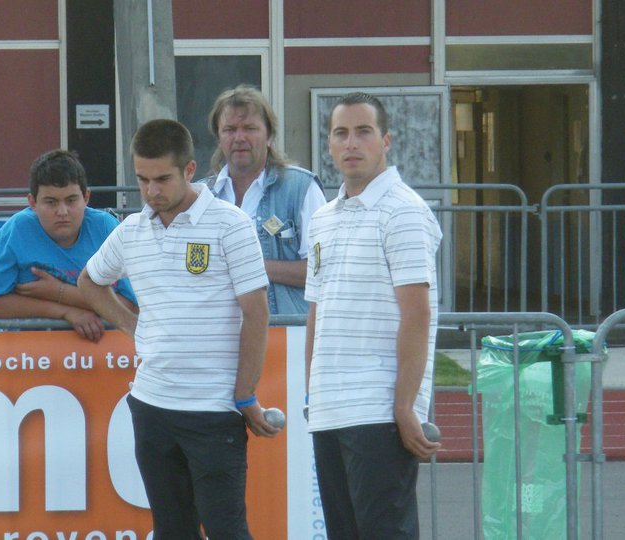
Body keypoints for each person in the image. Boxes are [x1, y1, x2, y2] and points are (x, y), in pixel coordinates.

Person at [77, 119, 278, 539]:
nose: (151, 190)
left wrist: (244, 394)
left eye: (162, 179)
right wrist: (133, 326)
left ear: (189, 170)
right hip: (151, 406)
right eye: (142, 179)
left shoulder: (231, 224)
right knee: (172, 531)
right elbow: (89, 282)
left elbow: (256, 313)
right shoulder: (131, 230)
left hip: (213, 410)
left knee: (226, 530)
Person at [304, 92, 443, 539]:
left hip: (378, 408)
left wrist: (404, 406)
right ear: (329, 144)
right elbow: (317, 312)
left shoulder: (404, 212)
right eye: (340, 133)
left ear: (386, 141)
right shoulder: (322, 218)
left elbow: (416, 314)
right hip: (330, 408)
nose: (351, 143)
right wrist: (312, 394)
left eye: (363, 132)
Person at [0, 149, 137, 342]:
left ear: (86, 197)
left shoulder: (107, 228)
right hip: (31, 353)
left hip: (103, 353)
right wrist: (66, 312)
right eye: (51, 202)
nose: (62, 211)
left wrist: (59, 292)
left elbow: (132, 307)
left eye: (71, 200)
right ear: (32, 202)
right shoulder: (16, 230)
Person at [202, 84, 326, 315]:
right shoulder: (200, 197)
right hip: (215, 329)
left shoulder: (301, 189)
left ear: (269, 136)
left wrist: (248, 266)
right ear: (219, 138)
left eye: (250, 128)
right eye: (229, 130)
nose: (239, 138)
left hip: (282, 330)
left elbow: (323, 270)